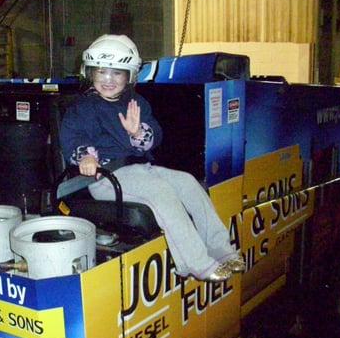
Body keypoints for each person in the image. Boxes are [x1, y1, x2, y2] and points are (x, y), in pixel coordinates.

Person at [59, 34, 245, 282]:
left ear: (130, 76)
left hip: (140, 170)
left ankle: (222, 250)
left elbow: (154, 135)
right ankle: (197, 263)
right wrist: (85, 157)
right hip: (106, 177)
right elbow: (73, 137)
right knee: (161, 193)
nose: (108, 80)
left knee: (188, 182)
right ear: (90, 73)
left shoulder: (136, 102)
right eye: (102, 72)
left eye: (117, 73)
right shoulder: (83, 108)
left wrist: (137, 132)